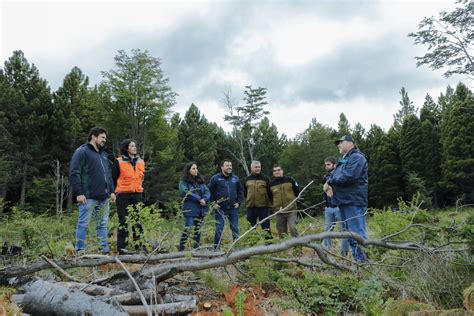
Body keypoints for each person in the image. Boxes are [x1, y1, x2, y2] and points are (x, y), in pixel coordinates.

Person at [70, 127, 115, 254]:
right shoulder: (82, 152)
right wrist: (79, 193)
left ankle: (104, 250)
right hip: (88, 196)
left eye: (105, 138)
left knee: (102, 224)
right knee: (83, 224)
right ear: (93, 137)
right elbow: (74, 173)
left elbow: (108, 174)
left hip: (103, 197)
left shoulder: (103, 154)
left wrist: (111, 191)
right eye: (102, 137)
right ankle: (80, 251)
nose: (104, 140)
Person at [324, 135, 368, 262]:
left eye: (341, 142)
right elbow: (334, 175)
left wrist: (330, 182)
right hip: (344, 202)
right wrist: (329, 183)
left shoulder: (357, 158)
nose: (338, 145)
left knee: (357, 234)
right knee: (349, 235)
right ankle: (359, 263)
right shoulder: (344, 160)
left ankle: (364, 265)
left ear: (350, 143)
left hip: (353, 202)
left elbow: (349, 176)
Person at [112, 139, 145, 255]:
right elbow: (113, 179)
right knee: (123, 221)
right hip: (123, 195)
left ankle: (139, 245)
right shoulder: (119, 161)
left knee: (137, 220)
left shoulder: (141, 161)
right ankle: (122, 248)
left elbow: (141, 178)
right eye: (132, 146)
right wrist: (113, 192)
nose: (134, 148)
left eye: (135, 146)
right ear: (126, 148)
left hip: (137, 194)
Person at [208, 159, 243, 249]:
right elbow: (209, 192)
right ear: (222, 167)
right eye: (227, 165)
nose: (229, 167)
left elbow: (240, 191)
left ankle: (237, 249)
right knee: (219, 229)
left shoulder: (235, 179)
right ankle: (216, 249)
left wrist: (239, 202)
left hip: (233, 208)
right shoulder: (215, 178)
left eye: (230, 165)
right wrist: (213, 203)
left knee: (235, 228)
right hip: (220, 209)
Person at [178, 162, 210, 251]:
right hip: (190, 209)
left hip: (201, 209)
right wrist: (199, 199)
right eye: (193, 168)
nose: (196, 170)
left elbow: (207, 192)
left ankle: (196, 249)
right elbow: (185, 192)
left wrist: (205, 199)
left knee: (198, 230)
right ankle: (181, 249)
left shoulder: (200, 181)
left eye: (196, 168)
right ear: (188, 170)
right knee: (188, 227)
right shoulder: (183, 181)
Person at [322, 156, 349, 256]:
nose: (326, 167)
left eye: (328, 164)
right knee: (327, 230)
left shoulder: (340, 174)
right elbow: (326, 191)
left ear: (335, 164)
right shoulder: (326, 177)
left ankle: (344, 254)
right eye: (325, 165)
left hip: (339, 207)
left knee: (344, 231)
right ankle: (327, 251)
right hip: (329, 208)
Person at [269, 164, 300, 238]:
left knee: (293, 228)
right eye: (275, 171)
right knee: (281, 232)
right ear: (273, 173)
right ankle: (284, 248)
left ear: (282, 171)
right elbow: (270, 197)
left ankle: (297, 247)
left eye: (278, 170)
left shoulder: (290, 180)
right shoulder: (271, 184)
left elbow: (297, 192)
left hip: (291, 210)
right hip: (279, 211)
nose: (277, 172)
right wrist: (275, 206)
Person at [243, 161, 272, 237]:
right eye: (256, 167)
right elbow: (245, 193)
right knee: (250, 227)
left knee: (266, 227)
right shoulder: (247, 179)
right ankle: (253, 244)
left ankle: (269, 245)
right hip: (251, 208)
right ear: (251, 168)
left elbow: (270, 192)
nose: (257, 169)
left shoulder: (266, 179)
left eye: (259, 167)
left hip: (263, 207)